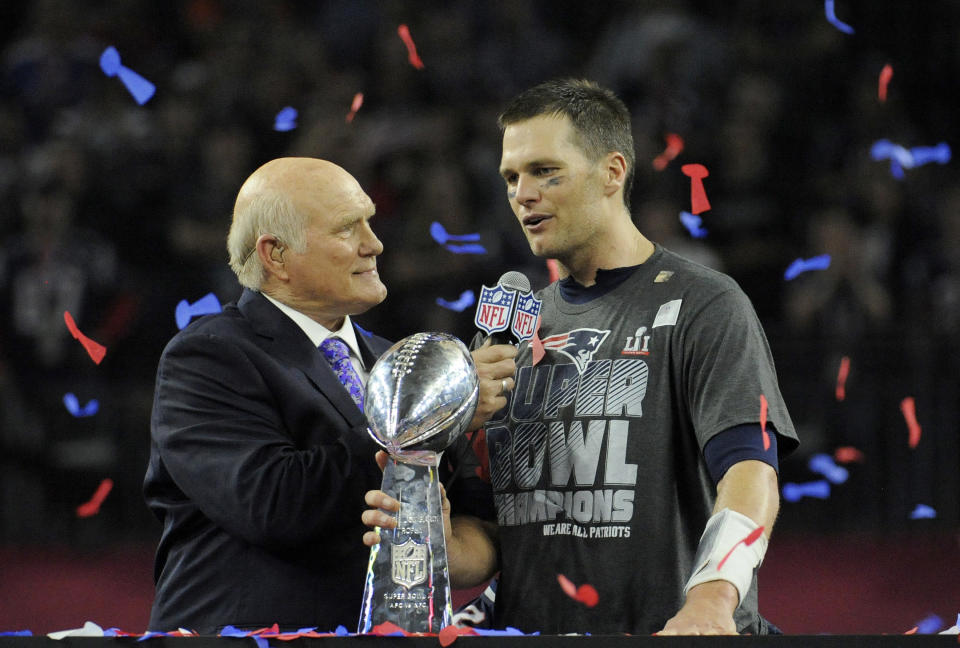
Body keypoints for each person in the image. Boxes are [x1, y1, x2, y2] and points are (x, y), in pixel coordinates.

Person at [363, 79, 798, 636]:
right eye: (511, 177)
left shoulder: (704, 303)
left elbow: (750, 471)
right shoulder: (502, 337)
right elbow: (493, 539)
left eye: (546, 171)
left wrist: (713, 597)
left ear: (613, 172)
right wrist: (436, 536)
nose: (523, 193)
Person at [144, 157, 516, 633]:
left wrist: (448, 544)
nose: (374, 243)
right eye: (347, 228)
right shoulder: (208, 356)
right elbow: (272, 504)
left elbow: (477, 523)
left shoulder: (398, 366)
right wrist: (426, 413)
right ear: (275, 254)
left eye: (370, 221)